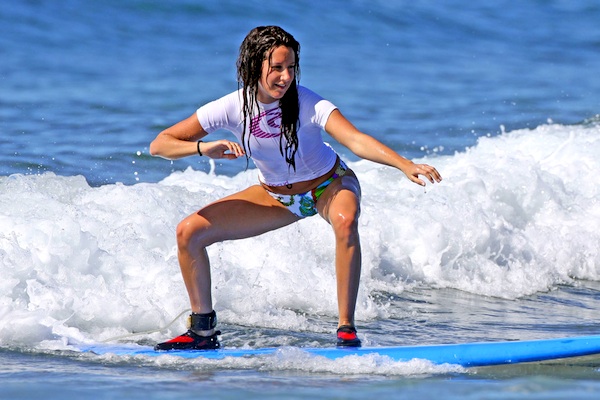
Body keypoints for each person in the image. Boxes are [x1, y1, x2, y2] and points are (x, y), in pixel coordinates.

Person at [149, 25, 442, 351]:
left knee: (346, 221)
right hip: (276, 196)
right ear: (253, 66)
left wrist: (404, 164)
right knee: (189, 232)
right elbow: (160, 144)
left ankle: (346, 329)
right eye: (276, 68)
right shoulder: (231, 107)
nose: (286, 77)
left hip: (329, 185)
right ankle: (202, 331)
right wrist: (203, 149)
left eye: (291, 68)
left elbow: (355, 140)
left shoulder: (307, 103)